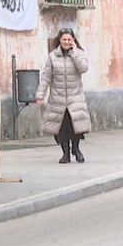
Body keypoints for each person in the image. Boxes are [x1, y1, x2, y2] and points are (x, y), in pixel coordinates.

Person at [35, 28, 91, 164]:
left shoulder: (79, 54)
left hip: (75, 97)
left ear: (73, 40)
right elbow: (46, 77)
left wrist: (74, 53)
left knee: (76, 127)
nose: (66, 42)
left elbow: (83, 68)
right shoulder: (52, 57)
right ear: (59, 40)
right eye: (64, 39)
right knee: (61, 128)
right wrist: (40, 94)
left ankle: (76, 150)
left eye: (69, 39)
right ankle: (65, 153)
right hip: (58, 98)